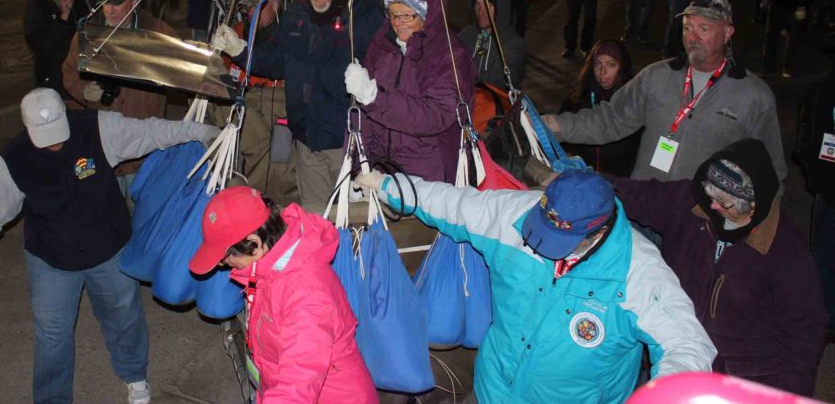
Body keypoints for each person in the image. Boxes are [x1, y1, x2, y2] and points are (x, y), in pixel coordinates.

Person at [354, 167, 717, 403]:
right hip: (493, 391)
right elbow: (452, 203)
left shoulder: (638, 272)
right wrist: (387, 185)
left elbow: (688, 346)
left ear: (598, 229)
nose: (538, 244)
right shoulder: (517, 213)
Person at [0, 88, 219, 404]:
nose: (55, 143)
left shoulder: (98, 128)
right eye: (44, 137)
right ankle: (52, 399)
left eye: (57, 132)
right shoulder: (13, 162)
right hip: (50, 258)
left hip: (108, 247)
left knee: (124, 318)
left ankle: (134, 377)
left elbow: (151, 131)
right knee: (52, 335)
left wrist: (199, 131)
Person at [606, 139, 827, 395]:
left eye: (724, 203)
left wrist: (788, 395)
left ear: (753, 205)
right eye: (709, 195)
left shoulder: (787, 253)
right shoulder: (690, 204)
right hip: (681, 353)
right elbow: (638, 195)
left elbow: (803, 336)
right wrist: (586, 184)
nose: (712, 206)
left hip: (740, 378)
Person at [545, 0, 786, 183]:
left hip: (699, 219)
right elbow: (610, 120)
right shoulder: (656, 76)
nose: (693, 36)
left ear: (727, 33)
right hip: (645, 205)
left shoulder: (754, 95)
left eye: (704, 29)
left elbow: (769, 168)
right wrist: (553, 125)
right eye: (688, 27)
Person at [213, 0, 386, 206]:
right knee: (315, 222)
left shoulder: (364, 17)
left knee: (355, 223)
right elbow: (279, 63)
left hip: (349, 143)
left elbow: (389, 73)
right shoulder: (296, 15)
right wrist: (239, 50)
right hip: (308, 142)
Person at [188, 187, 377, 402]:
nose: (224, 265)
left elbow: (297, 380)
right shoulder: (270, 269)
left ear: (255, 243)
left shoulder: (307, 295)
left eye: (225, 257)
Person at [344, 0, 475, 184]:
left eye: (406, 15)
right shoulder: (383, 44)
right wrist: (358, 168)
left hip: (429, 177)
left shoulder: (448, 54)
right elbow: (362, 115)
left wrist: (375, 97)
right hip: (382, 171)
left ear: (427, 13)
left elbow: (437, 114)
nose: (396, 23)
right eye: (393, 14)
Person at [61, 0, 177, 198]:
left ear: (134, 1)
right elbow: (68, 72)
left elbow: (181, 73)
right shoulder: (88, 34)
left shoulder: (157, 33)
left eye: (117, 2)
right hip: (104, 142)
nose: (109, 10)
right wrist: (83, 91)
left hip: (142, 143)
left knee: (142, 207)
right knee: (108, 210)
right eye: (105, 3)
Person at [218, 0, 293, 195]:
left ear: (275, 4)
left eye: (256, 6)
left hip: (274, 118)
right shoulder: (236, 33)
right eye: (247, 7)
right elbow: (220, 72)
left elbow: (278, 66)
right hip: (240, 117)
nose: (250, 12)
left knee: (276, 170)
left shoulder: (288, 36)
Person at [793, 38, 835, 345]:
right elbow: (807, 133)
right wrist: (815, 176)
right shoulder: (823, 89)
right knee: (823, 260)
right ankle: (824, 321)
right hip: (829, 191)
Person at [559, 40, 641, 177]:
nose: (602, 72)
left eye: (611, 65)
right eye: (598, 64)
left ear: (621, 67)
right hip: (583, 176)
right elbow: (561, 138)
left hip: (619, 181)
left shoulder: (633, 102)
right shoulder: (577, 97)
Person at [24, 0, 96, 95]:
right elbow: (41, 47)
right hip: (55, 82)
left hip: (85, 78)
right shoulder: (39, 5)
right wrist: (63, 15)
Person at [459, 0, 525, 91]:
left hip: (499, 106)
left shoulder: (513, 45)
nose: (481, 11)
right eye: (477, 4)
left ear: (500, 6)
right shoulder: (466, 37)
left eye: (488, 5)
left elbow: (504, 83)